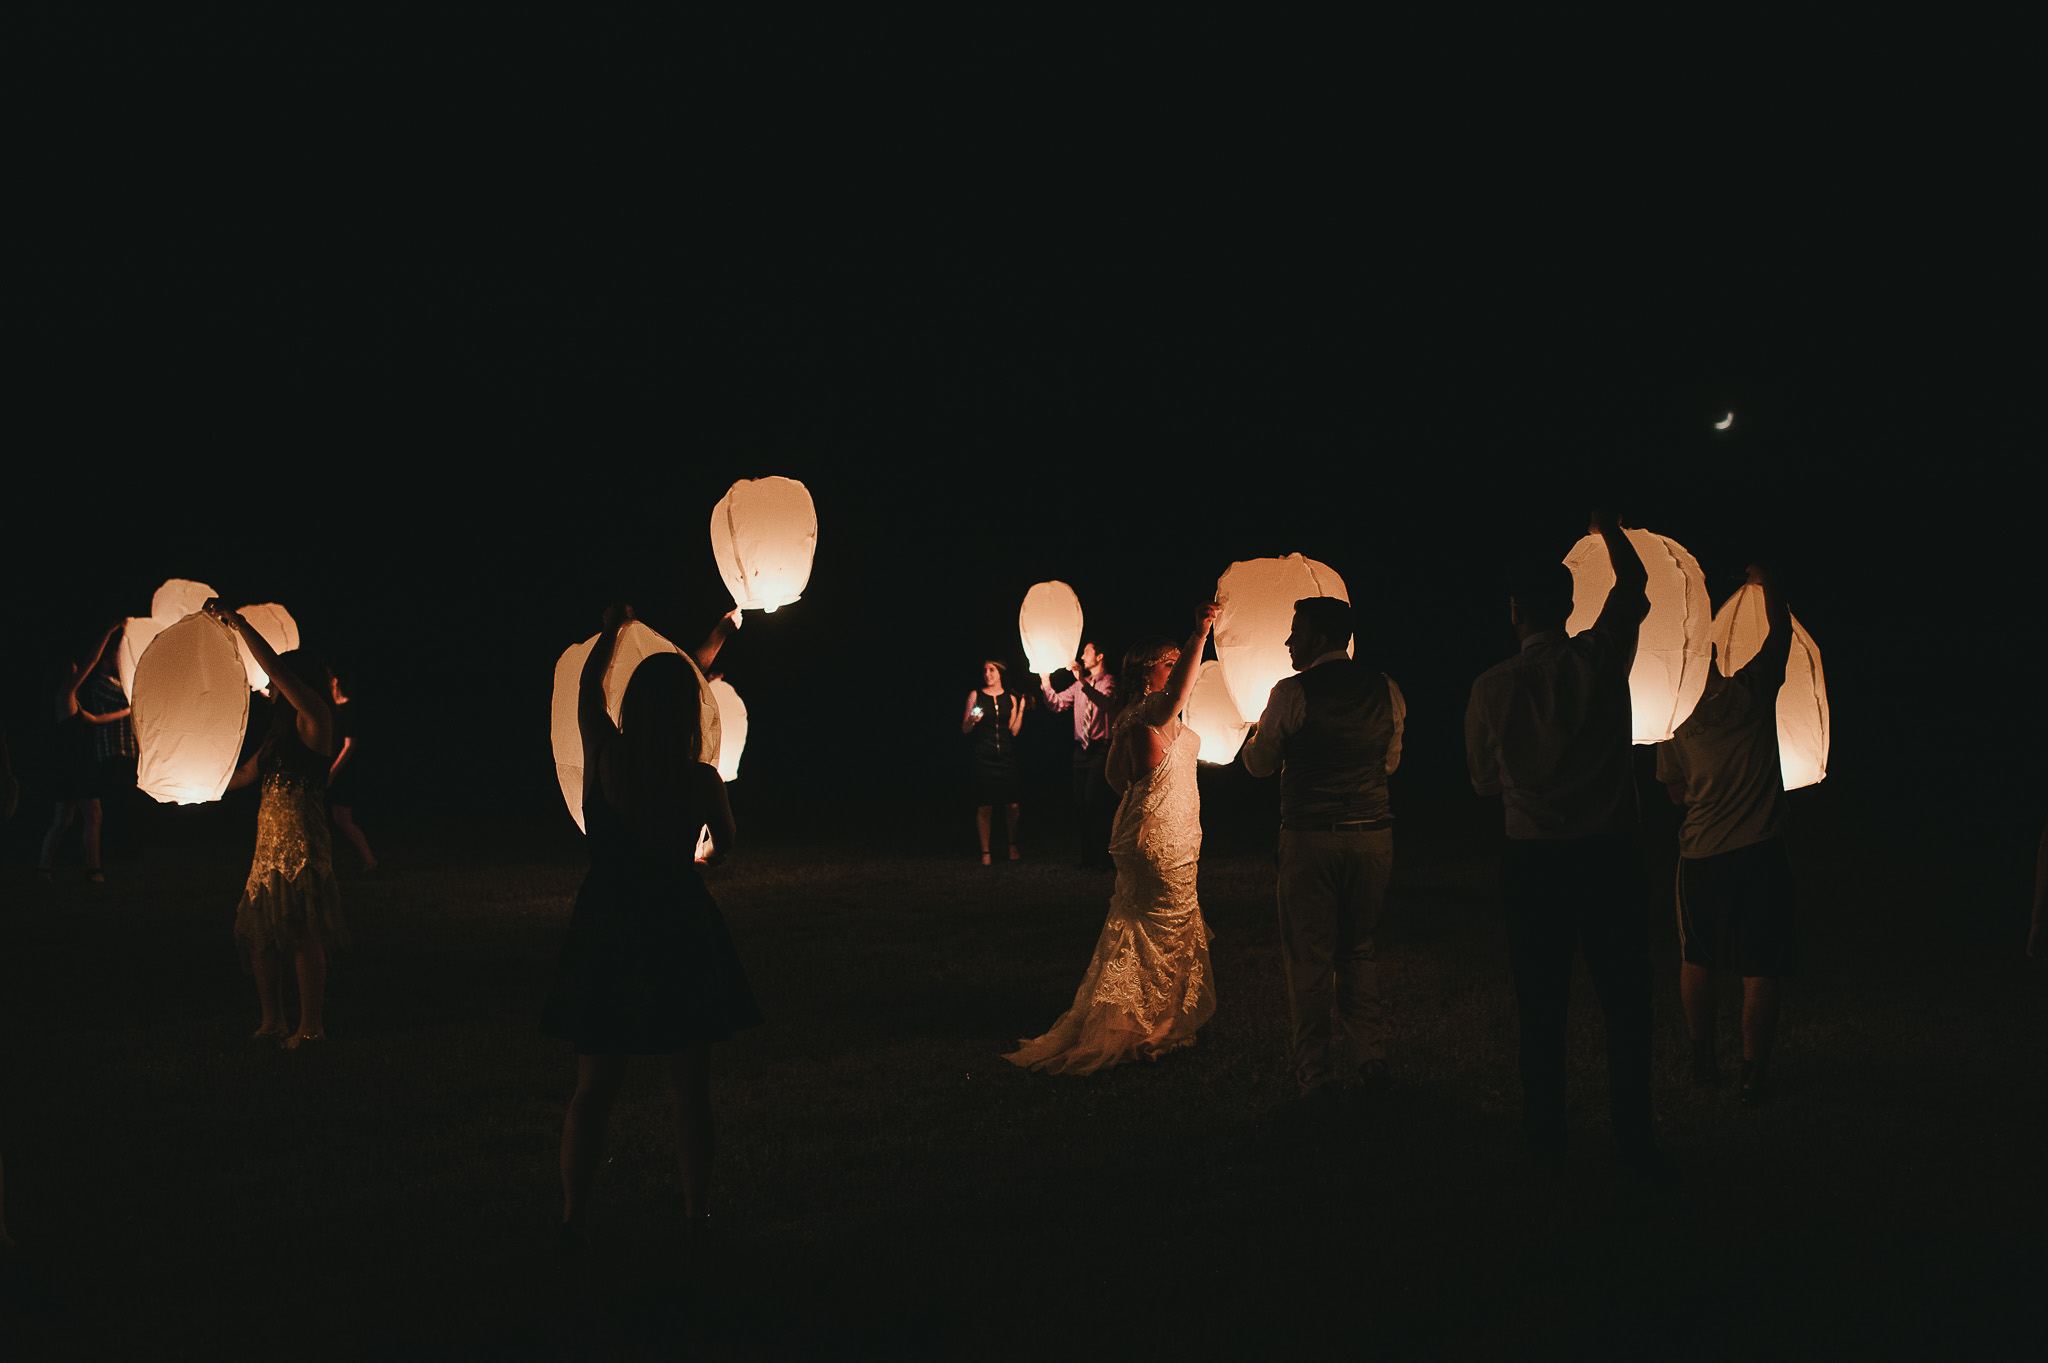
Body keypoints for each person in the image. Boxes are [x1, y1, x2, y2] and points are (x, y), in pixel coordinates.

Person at [543, 604, 760, 1251]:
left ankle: (573, 1218)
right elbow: (724, 848)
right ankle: (697, 1216)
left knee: (594, 1087)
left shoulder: (604, 752)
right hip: (675, 922)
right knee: (691, 1084)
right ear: (691, 711)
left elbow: (586, 690)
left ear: (632, 704)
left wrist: (611, 634)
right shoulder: (697, 778)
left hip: (609, 919)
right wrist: (699, 857)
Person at [1464, 509, 1669, 1180]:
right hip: (1610, 856)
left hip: (1535, 863)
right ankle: (1633, 1133)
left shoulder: (1491, 687)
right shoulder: (1602, 655)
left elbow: (1483, 782)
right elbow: (1635, 581)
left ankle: (1545, 1135)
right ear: (1572, 604)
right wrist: (1609, 529)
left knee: (1542, 1004)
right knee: (1625, 1002)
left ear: (1515, 609)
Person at [1005, 605, 1220, 1075]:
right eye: (1170, 660)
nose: (1181, 665)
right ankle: (1149, 1026)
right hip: (1160, 837)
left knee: (1155, 927)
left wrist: (1150, 798)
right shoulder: (1151, 710)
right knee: (1164, 925)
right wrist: (1200, 633)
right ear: (1148, 672)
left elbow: (1112, 778)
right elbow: (1179, 690)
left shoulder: (1135, 716)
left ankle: (1151, 1021)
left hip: (1161, 831)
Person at [1239, 596, 1407, 1101]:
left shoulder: (1291, 693)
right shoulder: (1388, 689)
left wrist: (1255, 737)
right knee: (1359, 948)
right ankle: (1369, 1059)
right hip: (1373, 836)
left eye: (1296, 631)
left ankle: (1316, 1075)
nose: (1289, 641)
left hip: (1311, 838)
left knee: (1308, 960)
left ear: (1318, 638)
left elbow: (1260, 765)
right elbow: (1390, 763)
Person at [1657, 565, 1798, 1106]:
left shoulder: (1674, 721)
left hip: (1701, 859)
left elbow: (1673, 793)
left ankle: (1701, 1060)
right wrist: (1771, 588)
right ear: (1717, 659)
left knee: (1697, 957)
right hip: (1760, 853)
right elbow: (1780, 638)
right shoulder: (1752, 692)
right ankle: (1752, 1073)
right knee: (1760, 966)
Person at [209, 603, 343, 1048]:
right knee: (259, 932)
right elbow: (246, 775)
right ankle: (272, 1021)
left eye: (279, 680)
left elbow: (278, 674)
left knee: (300, 929)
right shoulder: (280, 733)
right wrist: (194, 782)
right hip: (267, 845)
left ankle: (311, 1026)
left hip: (300, 842)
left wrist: (239, 623)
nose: (269, 685)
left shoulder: (316, 719)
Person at [36, 621, 127, 883]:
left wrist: (131, 709)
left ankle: (43, 869)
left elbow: (98, 719)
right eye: (73, 666)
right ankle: (94, 871)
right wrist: (108, 632)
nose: (77, 667)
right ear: (66, 672)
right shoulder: (65, 693)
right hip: (76, 765)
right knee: (93, 815)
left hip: (68, 766)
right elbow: (91, 660)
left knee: (63, 819)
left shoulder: (69, 700)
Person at [1039, 643, 1117, 869]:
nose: (1082, 656)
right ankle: (1088, 859)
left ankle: (1103, 858)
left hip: (1101, 750)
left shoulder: (1109, 681)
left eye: (1087, 652)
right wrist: (1046, 681)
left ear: (1099, 656)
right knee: (1082, 805)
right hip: (1081, 751)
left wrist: (1082, 680)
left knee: (1096, 804)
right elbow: (1057, 704)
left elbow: (1104, 703)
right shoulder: (1078, 686)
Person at [963, 660, 1026, 864]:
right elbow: (965, 728)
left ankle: (1012, 845)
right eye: (985, 671)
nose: (987, 674)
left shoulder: (1010, 698)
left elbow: (1014, 730)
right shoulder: (976, 695)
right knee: (985, 806)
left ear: (1000, 673)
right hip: (984, 757)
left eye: (992, 670)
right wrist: (972, 720)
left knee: (1013, 805)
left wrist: (1022, 708)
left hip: (1006, 757)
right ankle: (986, 852)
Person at [326, 668, 378, 873]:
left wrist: (331, 773)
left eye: (329, 681)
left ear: (336, 682)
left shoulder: (349, 710)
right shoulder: (334, 709)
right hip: (333, 771)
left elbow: (349, 745)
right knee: (337, 818)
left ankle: (370, 860)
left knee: (343, 818)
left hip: (343, 772)